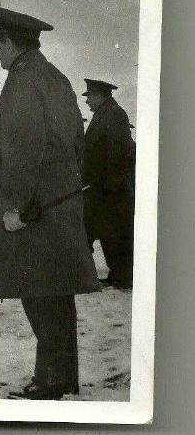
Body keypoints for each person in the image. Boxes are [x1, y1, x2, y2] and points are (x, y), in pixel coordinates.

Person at [0, 8, 100, 399]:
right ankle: (60, 377)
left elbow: (23, 149)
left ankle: (52, 382)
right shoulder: (54, 77)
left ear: (9, 44)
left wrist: (18, 208)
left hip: (36, 209)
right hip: (60, 201)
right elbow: (76, 141)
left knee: (40, 295)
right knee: (56, 295)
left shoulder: (22, 81)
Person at [81, 79, 135, 289]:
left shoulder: (114, 114)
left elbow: (117, 153)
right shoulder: (104, 114)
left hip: (110, 190)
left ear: (100, 96)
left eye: (89, 96)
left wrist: (110, 186)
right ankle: (118, 276)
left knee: (115, 234)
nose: (87, 101)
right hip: (101, 188)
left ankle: (123, 278)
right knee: (106, 233)